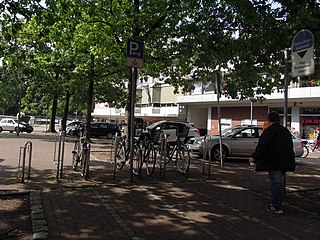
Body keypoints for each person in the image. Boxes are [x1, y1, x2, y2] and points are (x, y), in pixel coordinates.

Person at [251, 112, 295, 215]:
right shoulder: (285, 131)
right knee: (278, 182)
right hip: (284, 161)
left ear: (269, 120)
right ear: (279, 120)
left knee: (275, 183)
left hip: (273, 161)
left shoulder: (269, 131)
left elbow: (262, 146)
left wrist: (255, 156)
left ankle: (276, 206)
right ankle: (278, 203)